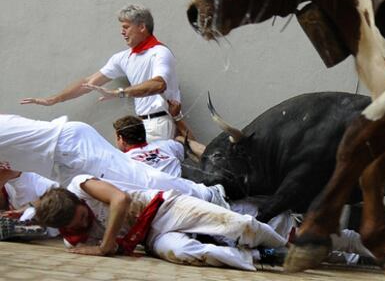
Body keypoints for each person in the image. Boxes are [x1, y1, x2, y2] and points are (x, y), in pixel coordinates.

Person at [35, 175, 289, 271]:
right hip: (149, 239)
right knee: (185, 252)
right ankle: (263, 257)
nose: (82, 225)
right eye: (74, 226)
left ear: (77, 201)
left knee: (238, 225)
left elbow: (120, 199)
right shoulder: (72, 239)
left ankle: (290, 249)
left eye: (81, 216)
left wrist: (104, 246)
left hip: (162, 208)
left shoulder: (81, 186)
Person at [20, 4, 187, 142]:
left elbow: (158, 84)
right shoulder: (123, 57)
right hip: (142, 125)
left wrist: (119, 93)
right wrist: (54, 100)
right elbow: (89, 83)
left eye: (126, 27)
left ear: (142, 27)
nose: (122, 32)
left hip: (159, 122)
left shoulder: (159, 52)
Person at [0, 114, 229, 208]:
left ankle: (210, 194)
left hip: (71, 146)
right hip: (63, 163)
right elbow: (8, 174)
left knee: (136, 180)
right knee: (97, 207)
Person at [113, 115, 184, 177]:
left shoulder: (121, 162)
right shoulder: (169, 145)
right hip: (184, 190)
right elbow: (193, 147)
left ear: (120, 139)